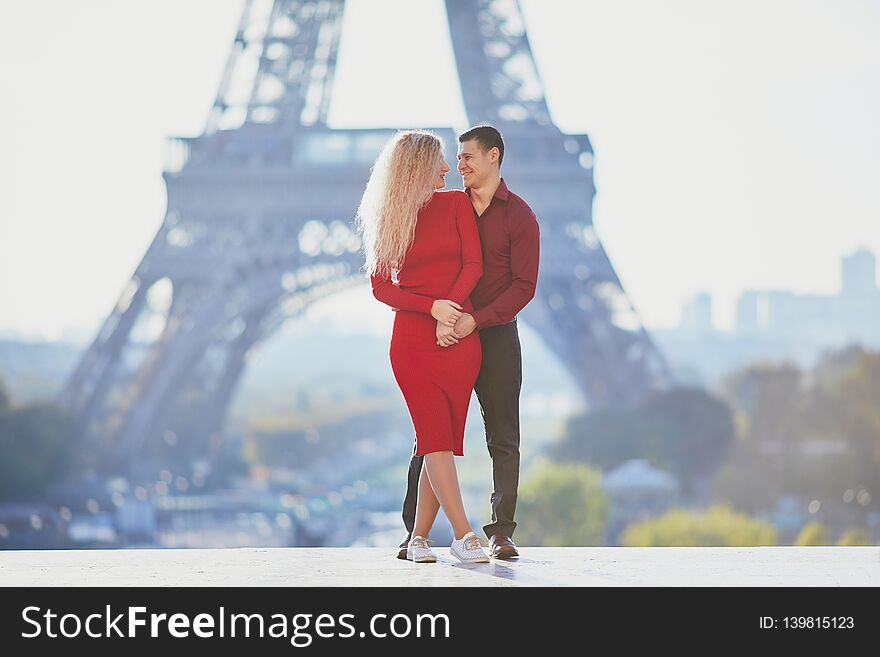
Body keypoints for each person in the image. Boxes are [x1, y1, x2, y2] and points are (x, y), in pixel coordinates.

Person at [397, 125, 540, 560]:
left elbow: (523, 286)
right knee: (431, 435)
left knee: (502, 434)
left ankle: (500, 532)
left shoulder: (519, 216)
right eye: (455, 158)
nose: (458, 166)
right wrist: (443, 314)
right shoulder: (444, 205)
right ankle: (414, 532)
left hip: (491, 334)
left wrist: (473, 320)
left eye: (467, 158)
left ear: (493, 156)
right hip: (442, 333)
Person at [356, 129, 490, 564]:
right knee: (435, 437)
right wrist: (431, 309)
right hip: (414, 342)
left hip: (458, 340)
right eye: (440, 161)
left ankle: (418, 539)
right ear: (417, 167)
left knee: (441, 441)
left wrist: (448, 314)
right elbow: (380, 288)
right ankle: (464, 533)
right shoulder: (387, 218)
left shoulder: (455, 204)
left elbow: (475, 264)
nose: (449, 169)